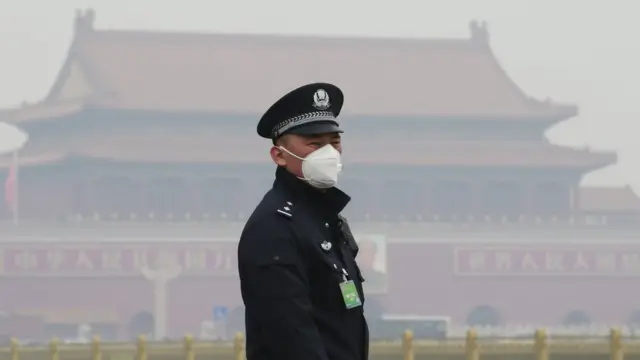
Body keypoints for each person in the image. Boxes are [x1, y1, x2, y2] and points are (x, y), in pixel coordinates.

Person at [238, 83, 368, 360]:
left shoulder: (326, 218)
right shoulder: (274, 227)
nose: (329, 153)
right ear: (280, 156)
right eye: (314, 144)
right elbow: (289, 333)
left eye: (334, 142)